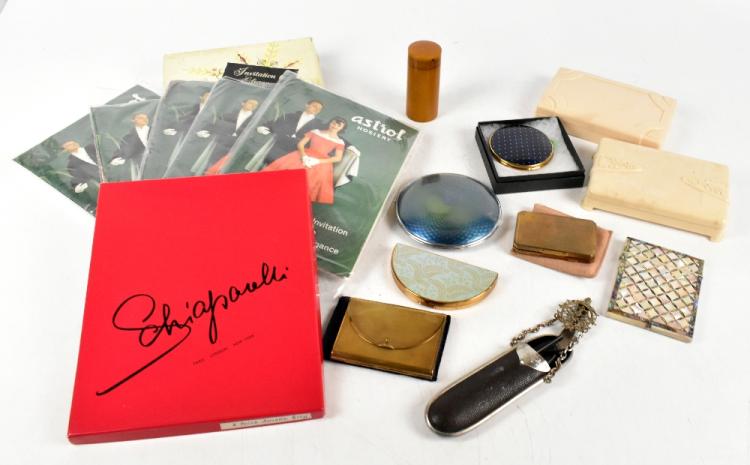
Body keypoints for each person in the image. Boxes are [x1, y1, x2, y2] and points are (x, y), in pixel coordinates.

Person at [262, 117, 347, 204]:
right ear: (330, 122)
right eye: (333, 123)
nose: (335, 126)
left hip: (320, 163)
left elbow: (338, 158)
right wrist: (304, 156)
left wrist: (317, 161)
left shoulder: (339, 142)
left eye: (338, 125)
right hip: (304, 155)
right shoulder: (316, 132)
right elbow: (301, 144)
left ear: (342, 128)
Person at [258, 100, 325, 164]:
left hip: (295, 153)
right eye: (315, 106)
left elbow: (314, 142)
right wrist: (265, 127)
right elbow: (276, 123)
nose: (316, 109)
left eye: (319, 109)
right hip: (278, 146)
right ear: (307, 105)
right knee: (266, 165)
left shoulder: (318, 126)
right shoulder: (290, 116)